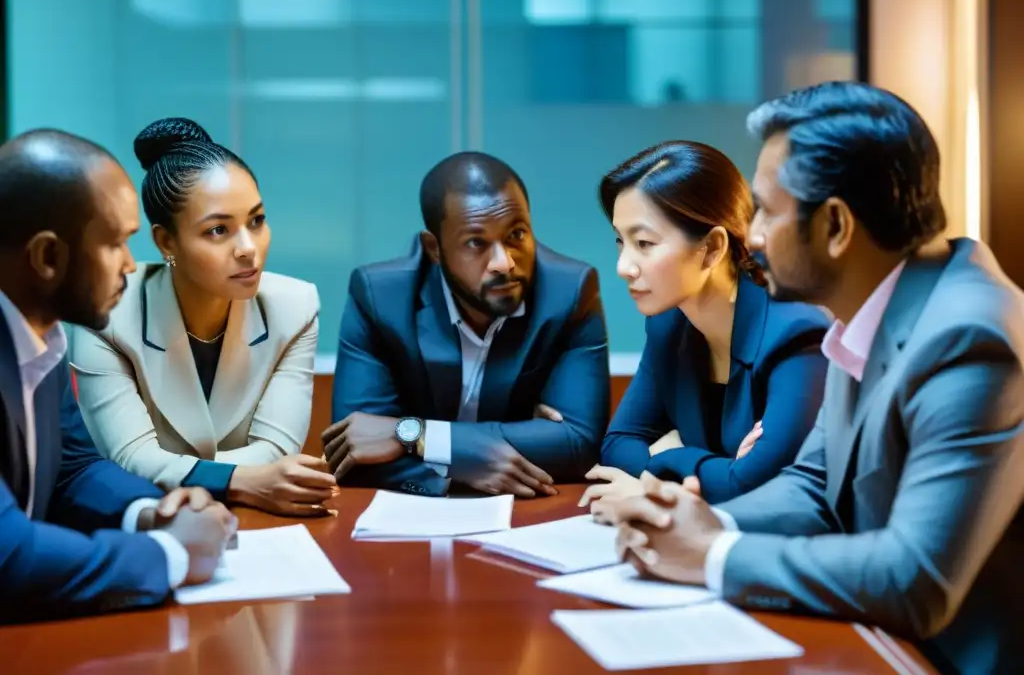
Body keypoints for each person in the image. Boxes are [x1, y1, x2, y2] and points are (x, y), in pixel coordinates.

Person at [601, 82, 1024, 675]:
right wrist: (698, 522)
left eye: (768, 211)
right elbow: (812, 484)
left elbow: (915, 580)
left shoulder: (968, 338)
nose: (750, 236)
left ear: (835, 226)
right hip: (872, 638)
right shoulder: (872, 308)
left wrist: (715, 554)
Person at [0, 128, 237, 622]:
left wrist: (157, 512)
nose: (131, 265)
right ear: (47, 257)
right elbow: (9, 555)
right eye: (115, 244)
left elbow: (74, 468)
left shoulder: (41, 338)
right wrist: (173, 555)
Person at [70, 119, 334, 516]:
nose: (249, 249)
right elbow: (132, 460)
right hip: (151, 521)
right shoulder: (108, 312)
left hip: (259, 522)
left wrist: (188, 472)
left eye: (256, 221)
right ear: (165, 241)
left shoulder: (293, 307)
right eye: (218, 231)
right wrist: (242, 480)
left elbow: (278, 449)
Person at [325, 151, 610, 497]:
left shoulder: (569, 292)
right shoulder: (380, 298)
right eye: (476, 243)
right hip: (412, 520)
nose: (504, 263)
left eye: (517, 235)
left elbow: (580, 446)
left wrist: (412, 435)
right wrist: (463, 468)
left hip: (528, 514)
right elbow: (354, 454)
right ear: (434, 248)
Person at [581, 142, 829, 509]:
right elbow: (618, 443)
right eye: (622, 241)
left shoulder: (795, 334)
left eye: (644, 243)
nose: (623, 266)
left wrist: (669, 457)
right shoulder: (669, 324)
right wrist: (717, 472)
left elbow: (757, 487)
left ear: (712, 248)